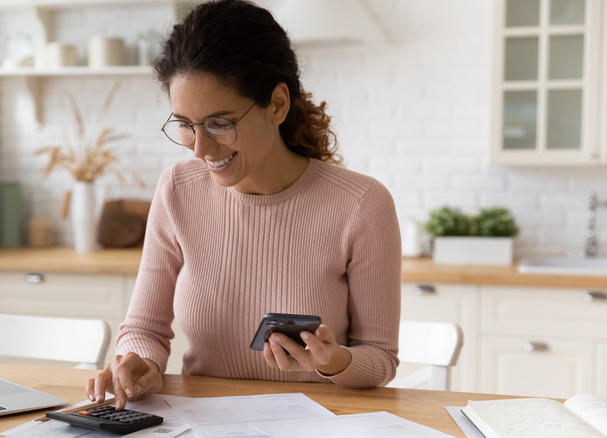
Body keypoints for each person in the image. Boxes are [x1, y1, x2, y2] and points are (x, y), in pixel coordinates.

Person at [87, 0, 401, 409]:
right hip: (200, 423)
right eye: (185, 124)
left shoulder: (361, 205)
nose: (200, 148)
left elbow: (380, 358)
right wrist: (139, 361)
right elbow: (145, 327)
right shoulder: (178, 190)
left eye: (220, 123)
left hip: (315, 423)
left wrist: (335, 360)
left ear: (277, 105)